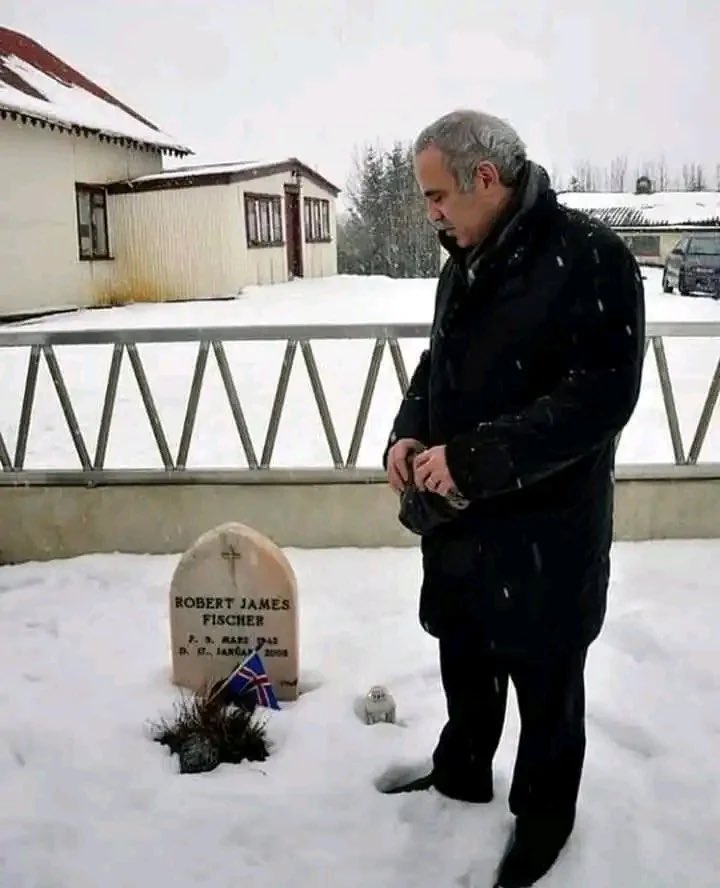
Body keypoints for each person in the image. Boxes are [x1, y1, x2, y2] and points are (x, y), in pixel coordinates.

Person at [382, 110, 645, 888]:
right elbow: (438, 367)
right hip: (460, 522)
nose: (429, 212)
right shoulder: (460, 260)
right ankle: (461, 770)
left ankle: (544, 815)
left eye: (436, 196)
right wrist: (408, 434)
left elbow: (601, 398)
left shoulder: (592, 260)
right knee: (464, 654)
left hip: (545, 529)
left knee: (546, 683)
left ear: (485, 181)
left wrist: (475, 460)